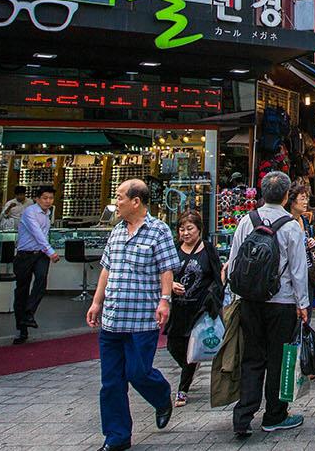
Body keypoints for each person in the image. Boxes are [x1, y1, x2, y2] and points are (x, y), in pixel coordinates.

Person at [86, 180, 181, 451]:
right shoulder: (116, 232)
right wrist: (96, 302)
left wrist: (165, 301)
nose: (116, 202)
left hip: (142, 318)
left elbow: (166, 269)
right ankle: (117, 436)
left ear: (136, 201)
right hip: (113, 319)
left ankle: (161, 395)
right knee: (111, 382)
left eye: (119, 197)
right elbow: (106, 269)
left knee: (138, 371)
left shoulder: (158, 230)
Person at [225, 171, 309, 438]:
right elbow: (298, 269)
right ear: (286, 196)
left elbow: (234, 261)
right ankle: (274, 415)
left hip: (250, 300)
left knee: (252, 357)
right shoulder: (290, 225)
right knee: (279, 357)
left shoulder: (246, 221)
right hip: (281, 301)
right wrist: (303, 303)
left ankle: (243, 416)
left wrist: (237, 295)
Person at [164, 210, 222, 407]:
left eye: (189, 229)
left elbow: (217, 276)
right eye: (182, 229)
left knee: (190, 347)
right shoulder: (175, 249)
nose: (185, 233)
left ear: (199, 229)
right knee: (173, 344)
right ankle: (189, 367)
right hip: (179, 308)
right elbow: (164, 273)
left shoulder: (207, 249)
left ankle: (182, 389)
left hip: (200, 307)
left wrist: (214, 299)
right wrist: (171, 285)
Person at [13, 186, 61, 345]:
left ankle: (29, 313)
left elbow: (44, 235)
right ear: (37, 199)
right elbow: (37, 233)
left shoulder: (48, 214)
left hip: (40, 255)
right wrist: (51, 251)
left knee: (41, 281)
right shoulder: (30, 212)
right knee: (22, 290)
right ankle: (22, 328)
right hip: (25, 255)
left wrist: (46, 252)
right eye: (45, 198)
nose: (48, 201)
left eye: (51, 198)